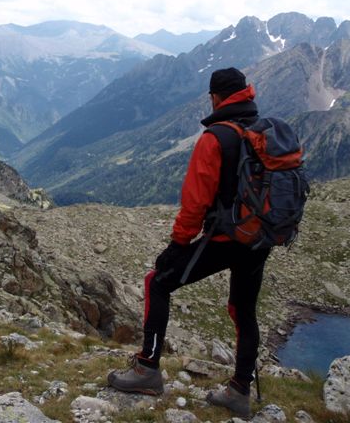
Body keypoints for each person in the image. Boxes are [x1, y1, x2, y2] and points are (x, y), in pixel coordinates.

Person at [107, 67, 269, 417]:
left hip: (225, 237)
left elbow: (195, 203)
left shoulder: (215, 138)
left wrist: (177, 245)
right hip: (259, 237)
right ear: (246, 93)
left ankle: (147, 370)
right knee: (243, 310)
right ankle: (240, 390)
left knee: (157, 282)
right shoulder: (261, 130)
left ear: (215, 97)